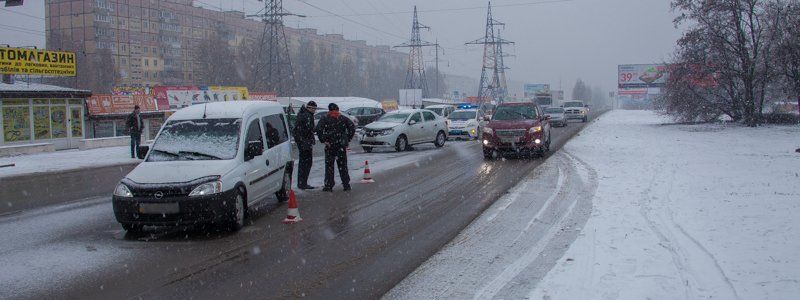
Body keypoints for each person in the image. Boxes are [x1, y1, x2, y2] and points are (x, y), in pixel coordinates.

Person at [315, 103, 356, 192]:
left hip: (330, 145)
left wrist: (323, 140)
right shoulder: (342, 118)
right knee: (343, 166)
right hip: (341, 146)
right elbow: (352, 127)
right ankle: (346, 184)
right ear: (337, 109)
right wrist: (347, 139)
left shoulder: (325, 118)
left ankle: (329, 185)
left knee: (329, 166)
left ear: (329, 110)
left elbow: (318, 129)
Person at [293, 101, 318, 189]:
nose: (315, 111)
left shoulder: (302, 113)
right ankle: (303, 183)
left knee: (303, 163)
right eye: (314, 109)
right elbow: (309, 129)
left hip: (303, 142)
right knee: (306, 163)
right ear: (310, 108)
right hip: (305, 142)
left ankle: (302, 183)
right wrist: (317, 128)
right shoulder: (307, 115)